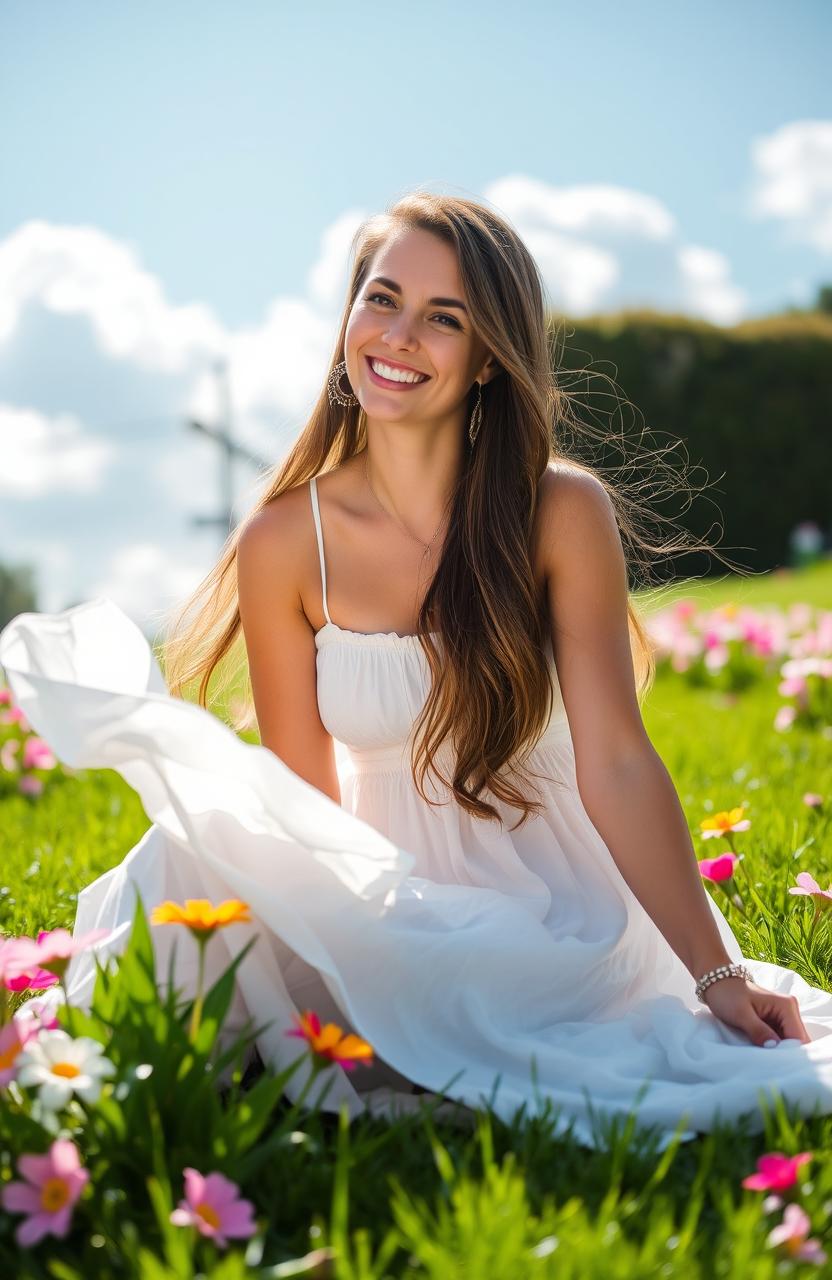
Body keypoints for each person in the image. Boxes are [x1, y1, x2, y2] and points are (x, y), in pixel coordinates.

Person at [3, 193, 832, 1153]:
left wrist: (714, 973)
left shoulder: (561, 512)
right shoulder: (284, 539)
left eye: (446, 317)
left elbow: (616, 760)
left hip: (541, 897)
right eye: (382, 298)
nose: (400, 336)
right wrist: (355, 952)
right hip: (372, 884)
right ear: (349, 316)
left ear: (490, 358)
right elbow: (299, 804)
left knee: (491, 1008)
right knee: (183, 859)